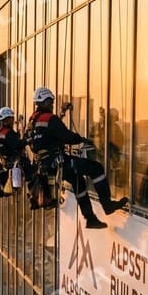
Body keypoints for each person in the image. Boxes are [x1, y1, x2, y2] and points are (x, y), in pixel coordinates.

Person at [28, 87, 128, 228]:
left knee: (78, 181)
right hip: (58, 161)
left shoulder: (32, 121)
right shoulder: (50, 119)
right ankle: (107, 204)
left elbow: (32, 141)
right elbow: (66, 135)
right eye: (50, 103)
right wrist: (81, 139)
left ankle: (90, 218)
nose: (51, 105)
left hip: (45, 165)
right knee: (96, 168)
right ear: (46, 101)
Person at [0, 106, 29, 196]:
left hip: (7, 161)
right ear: (6, 120)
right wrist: (27, 140)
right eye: (11, 118)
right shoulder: (8, 133)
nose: (12, 120)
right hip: (14, 160)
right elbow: (16, 144)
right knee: (32, 172)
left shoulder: (0, 132)